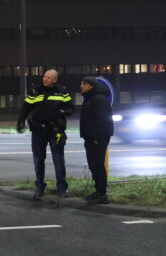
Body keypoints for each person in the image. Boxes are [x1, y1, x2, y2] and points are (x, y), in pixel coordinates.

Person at [16, 69, 75, 199]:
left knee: (58, 160)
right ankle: (40, 187)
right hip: (38, 130)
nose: (45, 79)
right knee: (38, 160)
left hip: (55, 130)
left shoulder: (62, 91)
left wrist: (63, 112)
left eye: (48, 78)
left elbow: (71, 108)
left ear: (55, 80)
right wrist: (20, 122)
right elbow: (25, 108)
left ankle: (61, 189)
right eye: (44, 76)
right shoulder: (35, 91)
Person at [78, 76, 114, 204]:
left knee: (98, 165)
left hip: (98, 137)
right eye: (81, 83)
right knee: (93, 165)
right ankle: (98, 191)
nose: (81, 86)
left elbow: (102, 119)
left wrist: (95, 137)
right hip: (91, 137)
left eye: (84, 84)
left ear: (91, 86)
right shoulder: (91, 98)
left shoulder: (99, 98)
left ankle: (102, 195)